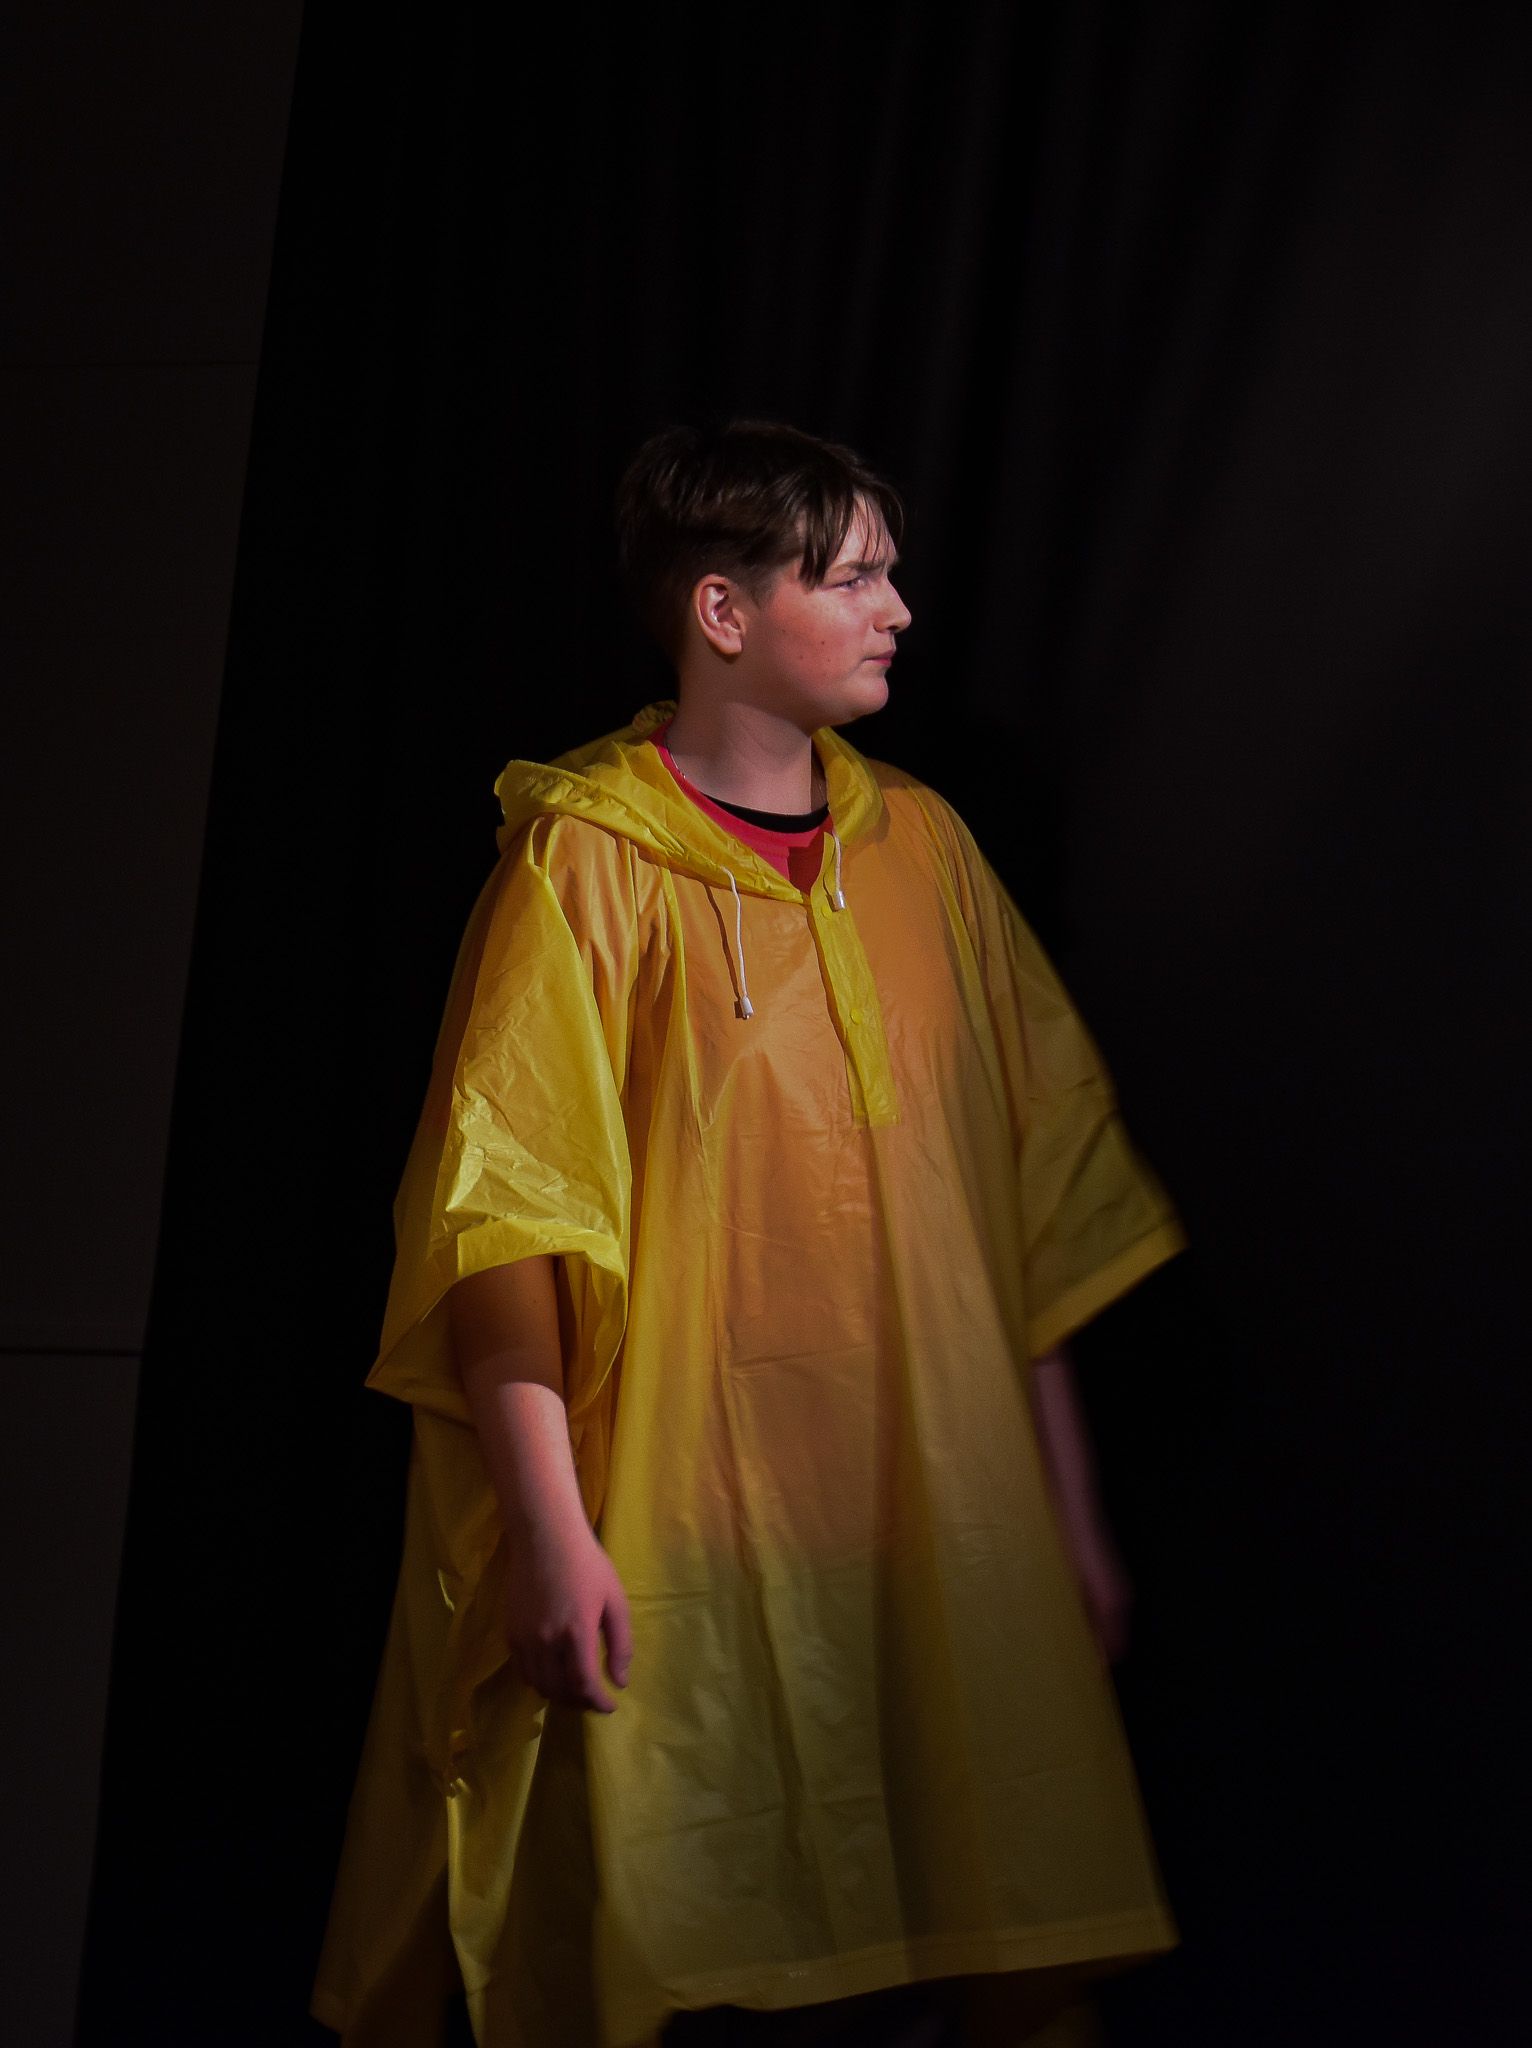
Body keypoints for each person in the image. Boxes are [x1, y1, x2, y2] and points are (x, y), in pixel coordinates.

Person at [311, 420, 1188, 2048]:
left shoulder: (924, 852)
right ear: (724, 612)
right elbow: (506, 1227)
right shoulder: (584, 864)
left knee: (963, 1930)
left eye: (889, 572)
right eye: (852, 575)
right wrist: (550, 1532)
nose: (898, 608)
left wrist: (1069, 1517)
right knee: (670, 1945)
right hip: (679, 1546)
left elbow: (1032, 1208)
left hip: (935, 1535)